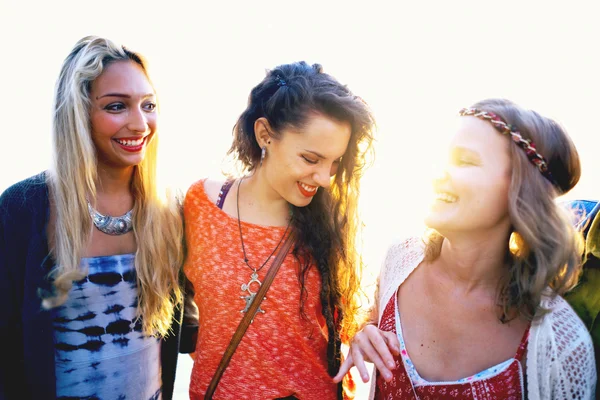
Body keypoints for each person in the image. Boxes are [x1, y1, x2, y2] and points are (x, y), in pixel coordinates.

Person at [335, 99, 596, 399]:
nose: (438, 173)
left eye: (466, 161)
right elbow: (370, 329)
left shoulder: (562, 345)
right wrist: (363, 337)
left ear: (520, 191)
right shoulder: (399, 260)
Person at [0, 36, 194, 400]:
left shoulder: (169, 208)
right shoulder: (23, 209)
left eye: (148, 105)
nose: (140, 124)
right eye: (117, 106)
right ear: (78, 115)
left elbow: (196, 320)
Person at [183, 61, 375, 399]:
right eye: (311, 159)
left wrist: (367, 332)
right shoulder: (200, 204)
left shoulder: (331, 222)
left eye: (334, 163)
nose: (325, 179)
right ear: (265, 135)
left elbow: (354, 318)